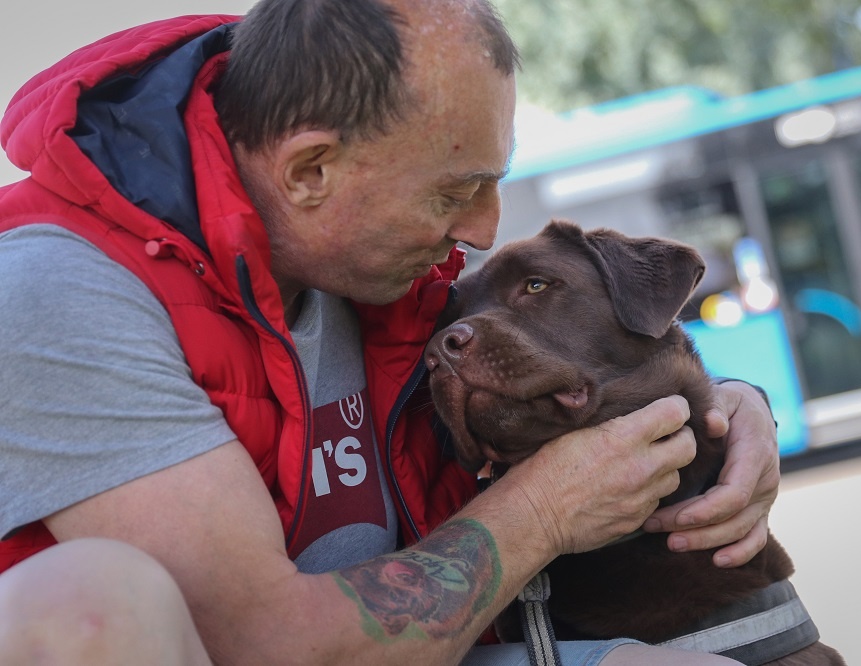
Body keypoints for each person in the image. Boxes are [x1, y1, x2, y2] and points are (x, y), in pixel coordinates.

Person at [0, 1, 780, 664]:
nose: (479, 231)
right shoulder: (64, 290)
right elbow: (267, 643)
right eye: (456, 191)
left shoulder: (383, 268)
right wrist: (540, 514)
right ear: (310, 171)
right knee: (90, 595)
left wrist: (732, 411)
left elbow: (567, 354)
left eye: (493, 182)